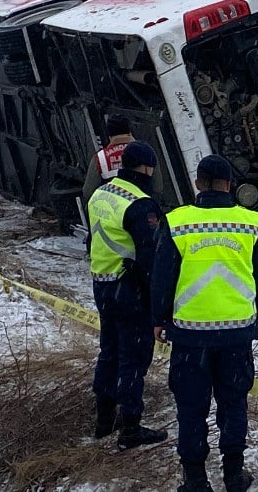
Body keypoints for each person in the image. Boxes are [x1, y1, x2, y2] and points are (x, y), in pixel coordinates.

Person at [152, 154, 258, 492]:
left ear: (197, 183)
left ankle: (194, 479)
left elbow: (162, 277)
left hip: (190, 335)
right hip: (236, 334)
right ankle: (234, 474)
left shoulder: (177, 222)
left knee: (191, 407)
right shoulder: (249, 222)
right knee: (233, 402)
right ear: (231, 185)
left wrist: (158, 319)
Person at [85, 141, 170, 449]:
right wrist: (159, 303)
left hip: (102, 284)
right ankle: (131, 427)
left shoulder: (101, 193)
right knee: (133, 358)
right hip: (129, 289)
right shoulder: (141, 204)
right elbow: (151, 259)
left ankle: (104, 419)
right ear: (147, 168)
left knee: (109, 350)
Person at [82, 114, 136, 208]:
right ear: (130, 132)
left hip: (112, 214)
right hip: (143, 212)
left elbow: (88, 192)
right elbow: (158, 187)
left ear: (109, 135)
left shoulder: (100, 158)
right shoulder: (145, 152)